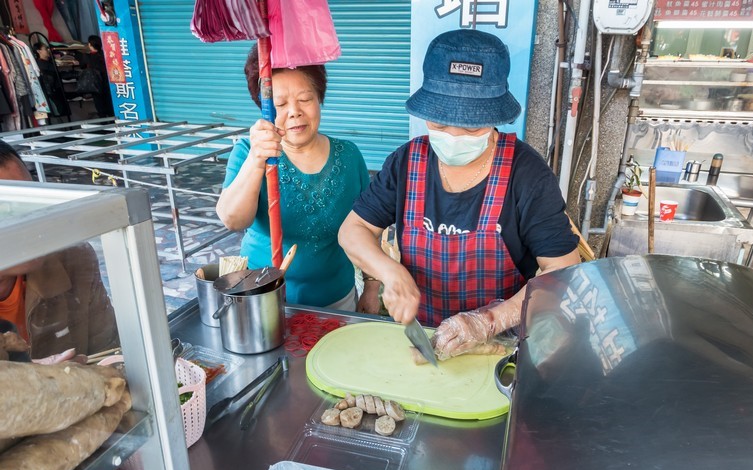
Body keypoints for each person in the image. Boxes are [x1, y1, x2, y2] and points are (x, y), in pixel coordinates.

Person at [338, 29, 580, 359]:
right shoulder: (406, 162)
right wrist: (389, 273)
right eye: (439, 122)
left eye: (471, 127)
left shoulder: (528, 176)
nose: (453, 135)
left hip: (499, 349)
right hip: (424, 343)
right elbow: (353, 231)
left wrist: (486, 321)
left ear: (496, 117)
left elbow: (562, 273)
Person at [216, 45, 376, 312]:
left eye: (305, 99)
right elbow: (233, 219)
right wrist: (257, 159)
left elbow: (371, 226)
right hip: (264, 300)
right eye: (280, 104)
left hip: (338, 299)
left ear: (319, 99)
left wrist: (371, 288)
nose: (294, 112)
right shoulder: (247, 152)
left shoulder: (349, 156)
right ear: (264, 108)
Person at [0, 141, 119, 360]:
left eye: (29, 199)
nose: (30, 222)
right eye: (5, 210)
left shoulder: (73, 260)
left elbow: (109, 351)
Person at [79, 35, 114, 118]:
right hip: (107, 84)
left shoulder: (87, 57)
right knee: (110, 106)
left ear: (90, 45)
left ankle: (105, 127)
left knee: (100, 108)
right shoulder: (105, 55)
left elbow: (82, 66)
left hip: (95, 85)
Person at [32, 42, 68, 119]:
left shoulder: (48, 61)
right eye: (45, 49)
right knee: (60, 112)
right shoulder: (41, 64)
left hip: (56, 90)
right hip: (53, 92)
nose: (48, 50)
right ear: (39, 51)